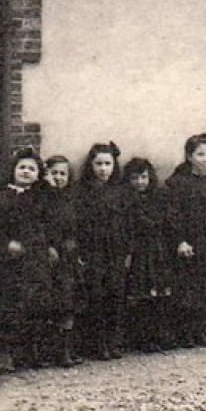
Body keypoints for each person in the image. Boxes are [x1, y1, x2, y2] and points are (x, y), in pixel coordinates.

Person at [167, 135, 206, 348]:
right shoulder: (178, 183)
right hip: (189, 241)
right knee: (187, 288)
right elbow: (173, 215)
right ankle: (186, 333)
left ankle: (204, 331)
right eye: (200, 155)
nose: (205, 160)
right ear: (189, 156)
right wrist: (181, 240)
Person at [73, 142, 129, 361]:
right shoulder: (82, 192)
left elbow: (128, 223)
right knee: (95, 295)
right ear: (91, 165)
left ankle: (113, 342)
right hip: (93, 250)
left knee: (116, 295)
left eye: (108, 164)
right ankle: (96, 344)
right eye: (99, 164)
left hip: (115, 250)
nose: (103, 169)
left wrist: (127, 250)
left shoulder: (121, 192)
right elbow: (77, 224)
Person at [121, 158, 173, 352]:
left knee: (158, 292)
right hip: (137, 251)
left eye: (143, 177)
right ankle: (140, 338)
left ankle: (158, 335)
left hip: (157, 249)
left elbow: (163, 221)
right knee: (139, 293)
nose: (140, 182)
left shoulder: (158, 198)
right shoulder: (126, 201)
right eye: (134, 178)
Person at [36, 156, 80, 366]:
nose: (59, 178)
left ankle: (65, 350)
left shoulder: (71, 198)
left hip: (67, 257)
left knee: (67, 300)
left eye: (63, 174)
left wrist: (72, 244)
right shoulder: (42, 198)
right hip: (48, 255)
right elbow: (42, 224)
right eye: (54, 174)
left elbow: (74, 225)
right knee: (47, 301)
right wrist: (48, 246)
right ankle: (45, 350)